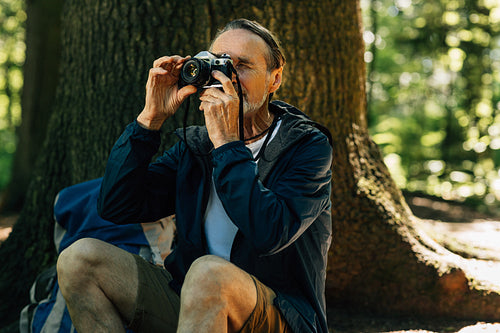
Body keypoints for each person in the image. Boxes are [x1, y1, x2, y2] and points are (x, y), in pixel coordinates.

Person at [57, 18, 333, 333]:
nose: (226, 76)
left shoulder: (306, 146)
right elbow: (117, 206)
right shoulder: (195, 146)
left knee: (207, 273)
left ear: (275, 79)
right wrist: (150, 120)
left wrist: (228, 144)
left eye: (242, 66)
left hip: (279, 315)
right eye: (218, 64)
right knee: (79, 259)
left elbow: (270, 232)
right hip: (194, 303)